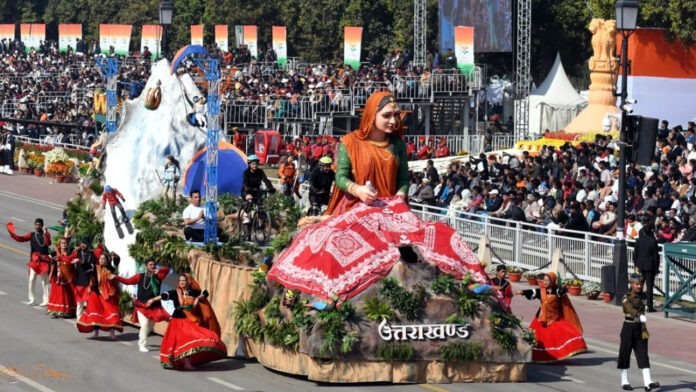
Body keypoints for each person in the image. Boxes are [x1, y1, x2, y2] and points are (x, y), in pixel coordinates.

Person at [325, 91, 409, 215]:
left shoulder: (398, 144)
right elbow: (340, 177)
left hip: (390, 210)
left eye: (396, 115)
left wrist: (399, 197)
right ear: (372, 115)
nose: (393, 121)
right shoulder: (350, 142)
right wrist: (358, 190)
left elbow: (403, 179)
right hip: (355, 208)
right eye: (386, 116)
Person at [149, 274, 227, 370]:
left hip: (188, 321)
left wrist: (199, 297)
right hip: (176, 321)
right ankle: (176, 361)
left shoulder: (192, 292)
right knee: (175, 342)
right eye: (180, 280)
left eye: (184, 281)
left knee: (190, 340)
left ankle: (187, 363)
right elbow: (164, 295)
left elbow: (205, 292)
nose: (182, 282)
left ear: (188, 282)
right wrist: (152, 300)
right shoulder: (175, 292)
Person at [517, 272, 587, 362]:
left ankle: (555, 355)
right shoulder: (541, 291)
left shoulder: (556, 291)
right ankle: (536, 357)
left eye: (547, 280)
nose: (545, 282)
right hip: (541, 320)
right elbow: (532, 292)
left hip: (554, 319)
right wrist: (522, 292)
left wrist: (564, 289)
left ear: (552, 281)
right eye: (544, 280)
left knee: (560, 337)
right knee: (537, 340)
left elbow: (562, 292)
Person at [113, 259, 171, 352]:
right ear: (146, 266)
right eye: (150, 264)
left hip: (154, 306)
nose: (152, 266)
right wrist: (117, 277)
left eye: (154, 265)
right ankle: (142, 344)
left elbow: (167, 269)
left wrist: (159, 271)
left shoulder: (159, 276)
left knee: (150, 326)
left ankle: (141, 336)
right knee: (144, 325)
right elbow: (128, 281)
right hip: (141, 305)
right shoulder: (140, 276)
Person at [618, 273, 660, 391]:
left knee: (643, 354)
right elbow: (629, 308)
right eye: (637, 284)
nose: (639, 286)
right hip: (628, 327)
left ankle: (648, 382)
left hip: (640, 328)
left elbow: (649, 291)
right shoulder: (626, 297)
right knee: (625, 354)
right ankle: (624, 381)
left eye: (641, 284)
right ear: (631, 284)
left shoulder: (643, 296)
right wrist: (638, 315)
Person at [77, 252, 123, 339]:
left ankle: (112, 332)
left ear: (107, 260)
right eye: (100, 258)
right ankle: (96, 332)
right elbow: (87, 266)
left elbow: (117, 262)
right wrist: (81, 262)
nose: (101, 260)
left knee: (111, 312)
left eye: (103, 259)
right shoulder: (95, 267)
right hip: (96, 294)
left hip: (109, 294)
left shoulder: (111, 269)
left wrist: (115, 256)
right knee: (96, 314)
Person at [7, 218, 52, 306]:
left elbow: (48, 243)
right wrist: (12, 234)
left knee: (44, 281)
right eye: (36, 224)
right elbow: (21, 239)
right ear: (34, 225)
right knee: (31, 279)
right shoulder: (31, 235)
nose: (38, 226)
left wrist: (46, 233)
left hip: (44, 261)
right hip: (34, 261)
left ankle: (46, 300)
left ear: (42, 226)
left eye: (39, 225)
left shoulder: (46, 234)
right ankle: (32, 299)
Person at [47, 237, 78, 318]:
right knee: (58, 294)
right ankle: (56, 311)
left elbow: (74, 264)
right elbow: (51, 262)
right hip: (58, 277)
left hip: (68, 276)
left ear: (67, 244)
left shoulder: (71, 253)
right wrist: (50, 273)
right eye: (62, 243)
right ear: (59, 245)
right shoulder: (55, 252)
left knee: (68, 294)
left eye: (65, 243)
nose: (64, 244)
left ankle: (67, 311)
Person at [633, 221, 660, 312]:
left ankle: (637, 304)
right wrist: (657, 268)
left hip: (640, 266)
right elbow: (656, 257)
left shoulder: (638, 241)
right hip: (650, 267)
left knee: (638, 285)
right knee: (649, 287)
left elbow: (635, 255)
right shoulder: (653, 242)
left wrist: (636, 265)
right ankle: (649, 306)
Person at [241, 154, 276, 223]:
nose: (255, 166)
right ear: (249, 164)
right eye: (253, 164)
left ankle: (260, 220)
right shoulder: (246, 173)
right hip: (247, 191)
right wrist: (249, 190)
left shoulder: (260, 171)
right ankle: (245, 214)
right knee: (250, 201)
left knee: (260, 204)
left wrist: (270, 188)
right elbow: (246, 185)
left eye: (256, 164)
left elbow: (266, 180)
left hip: (257, 191)